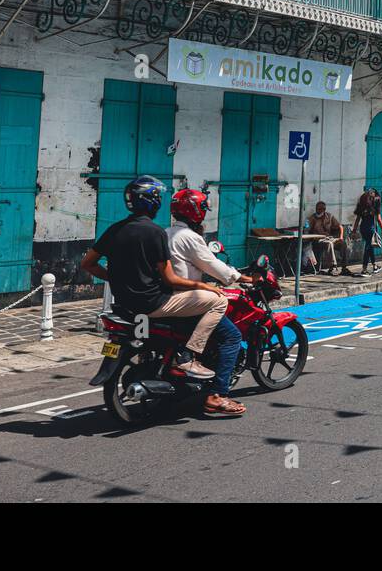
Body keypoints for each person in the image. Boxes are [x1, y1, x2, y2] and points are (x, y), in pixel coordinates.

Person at [79, 177, 239, 420]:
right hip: (154, 303)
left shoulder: (114, 229)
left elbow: (87, 264)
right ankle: (188, 357)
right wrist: (202, 285)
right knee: (218, 301)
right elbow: (171, 280)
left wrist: (114, 277)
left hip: (124, 305)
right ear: (152, 202)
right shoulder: (154, 232)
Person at [165, 187, 255, 418]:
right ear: (195, 211)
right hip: (186, 300)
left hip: (165, 298)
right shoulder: (190, 238)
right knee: (232, 336)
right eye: (202, 208)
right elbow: (213, 265)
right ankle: (217, 395)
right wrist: (241, 277)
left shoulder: (166, 232)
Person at [307, 201, 350, 275]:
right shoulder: (312, 218)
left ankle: (344, 267)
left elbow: (340, 226)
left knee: (342, 243)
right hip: (318, 240)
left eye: (320, 209)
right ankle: (332, 266)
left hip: (329, 237)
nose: (318, 210)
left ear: (324, 209)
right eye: (317, 209)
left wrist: (341, 237)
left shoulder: (329, 216)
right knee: (329, 244)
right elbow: (307, 230)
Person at [353, 187, 382, 277]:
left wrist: (354, 230)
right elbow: (378, 219)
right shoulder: (375, 203)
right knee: (368, 248)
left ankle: (375, 266)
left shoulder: (362, 205)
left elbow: (357, 219)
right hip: (370, 228)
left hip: (363, 228)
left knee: (369, 247)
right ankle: (364, 269)